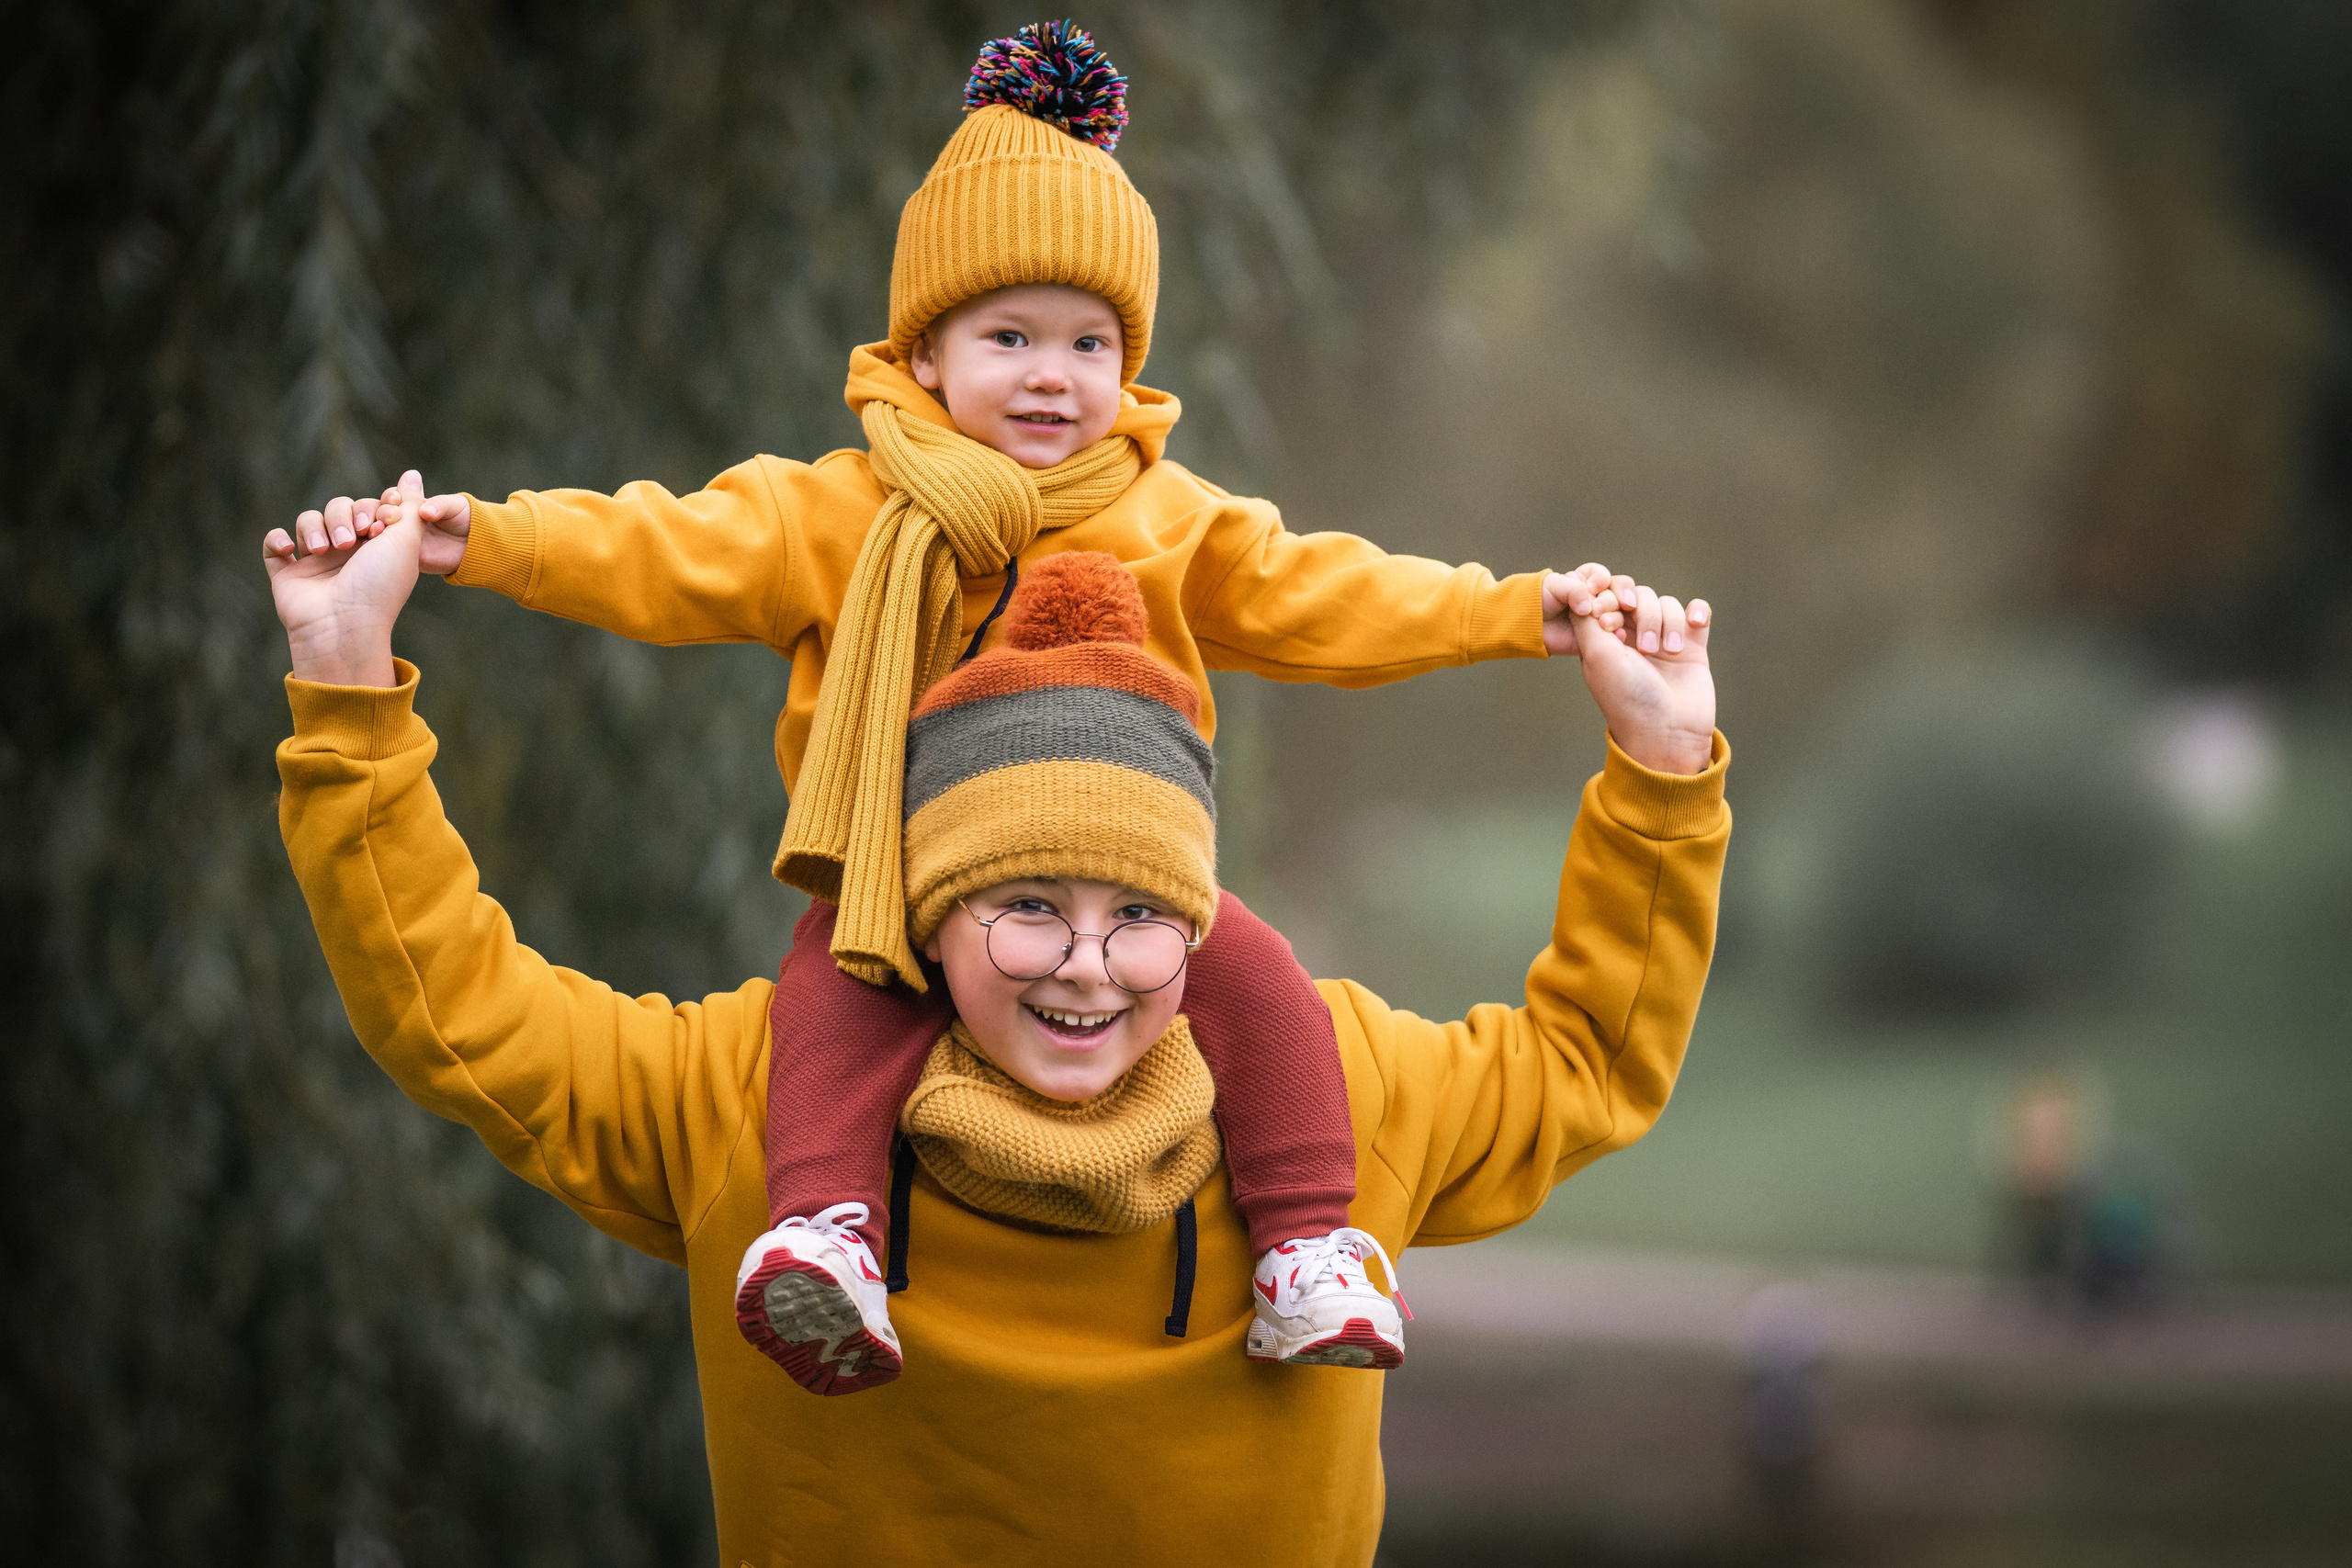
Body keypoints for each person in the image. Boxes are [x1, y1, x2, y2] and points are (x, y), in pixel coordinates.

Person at [302, 21, 1656, 1393]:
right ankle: (826, 1228)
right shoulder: (838, 511)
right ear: (928, 352)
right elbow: (659, 551)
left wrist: (1512, 611)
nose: (1054, 377)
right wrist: (491, 540)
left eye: (1089, 342)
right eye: (1009, 335)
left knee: (1266, 990)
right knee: (833, 1002)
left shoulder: (1169, 517)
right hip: (907, 876)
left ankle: (1308, 1245)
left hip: (1128, 877)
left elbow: (1338, 600)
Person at [266, 473, 1724, 1563]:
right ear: (925, 915)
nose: (1087, 967)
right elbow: (459, 1012)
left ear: (1202, 926)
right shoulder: (758, 1104)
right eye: (1026, 905)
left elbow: (1586, 1064)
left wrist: (1663, 762)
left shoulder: (1332, 1103)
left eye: (1144, 914)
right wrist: (345, 687)